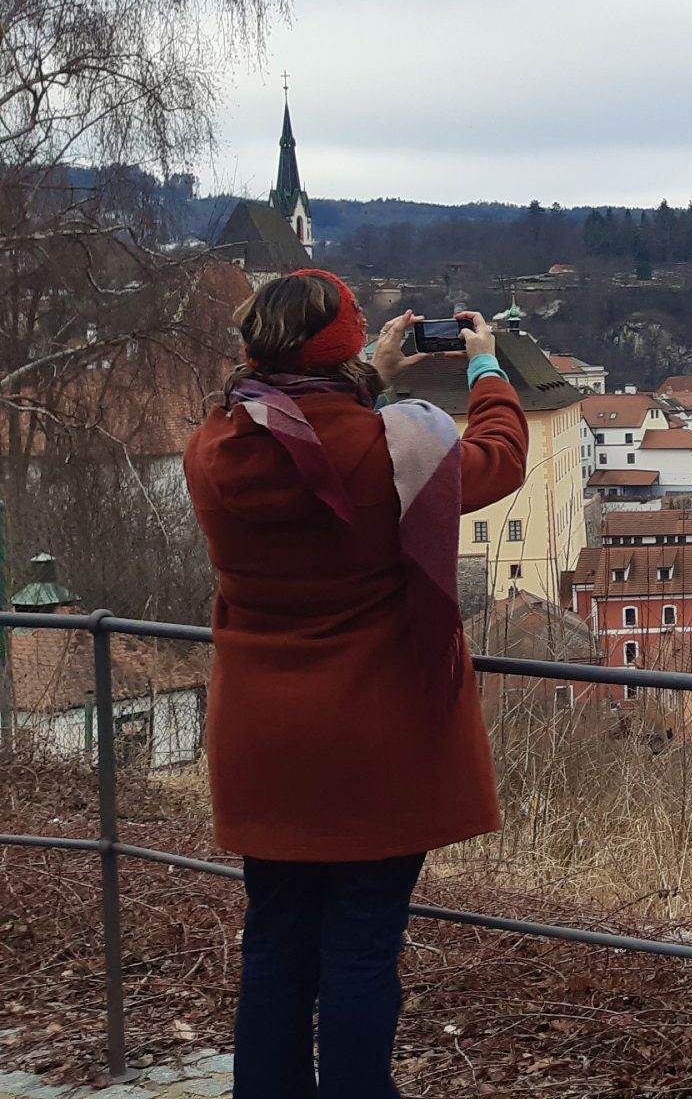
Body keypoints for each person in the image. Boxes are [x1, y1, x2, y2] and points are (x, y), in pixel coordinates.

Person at [184, 270, 527, 1098]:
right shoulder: (395, 448)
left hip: (262, 738)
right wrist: (485, 367)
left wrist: (369, 374)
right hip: (376, 738)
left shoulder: (211, 449)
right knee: (362, 948)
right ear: (342, 350)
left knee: (274, 945)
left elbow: (302, 426)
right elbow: (500, 459)